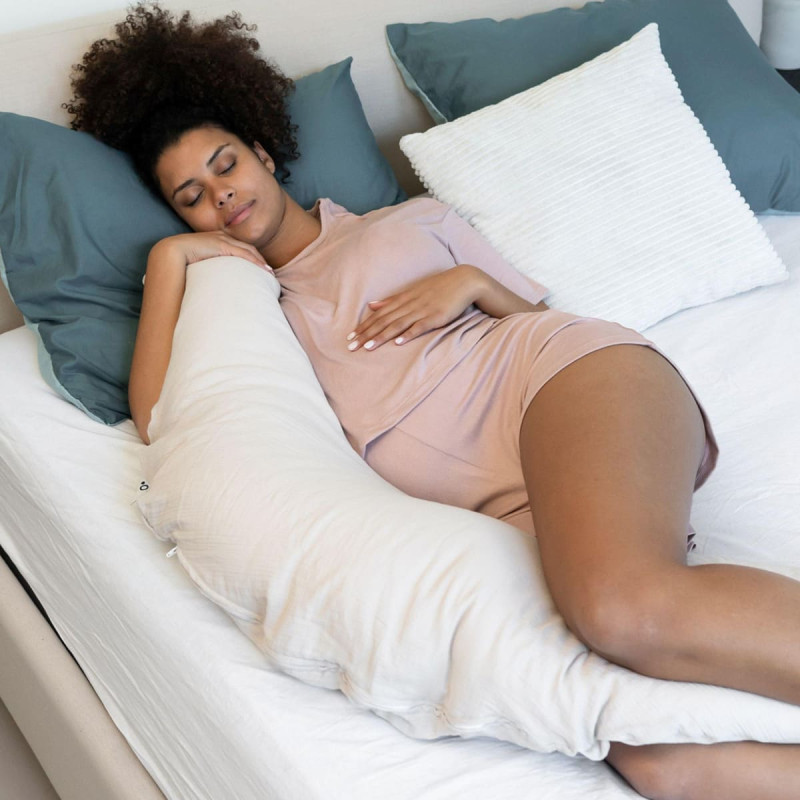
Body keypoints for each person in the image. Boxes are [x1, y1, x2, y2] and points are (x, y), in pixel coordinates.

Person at [66, 5, 800, 798]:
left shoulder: (412, 220)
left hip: (554, 382)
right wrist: (169, 261)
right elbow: (165, 419)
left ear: (264, 154)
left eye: (226, 165)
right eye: (192, 196)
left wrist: (471, 282)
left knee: (622, 608)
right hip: (500, 507)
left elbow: (541, 315)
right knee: (654, 756)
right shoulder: (248, 317)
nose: (221, 195)